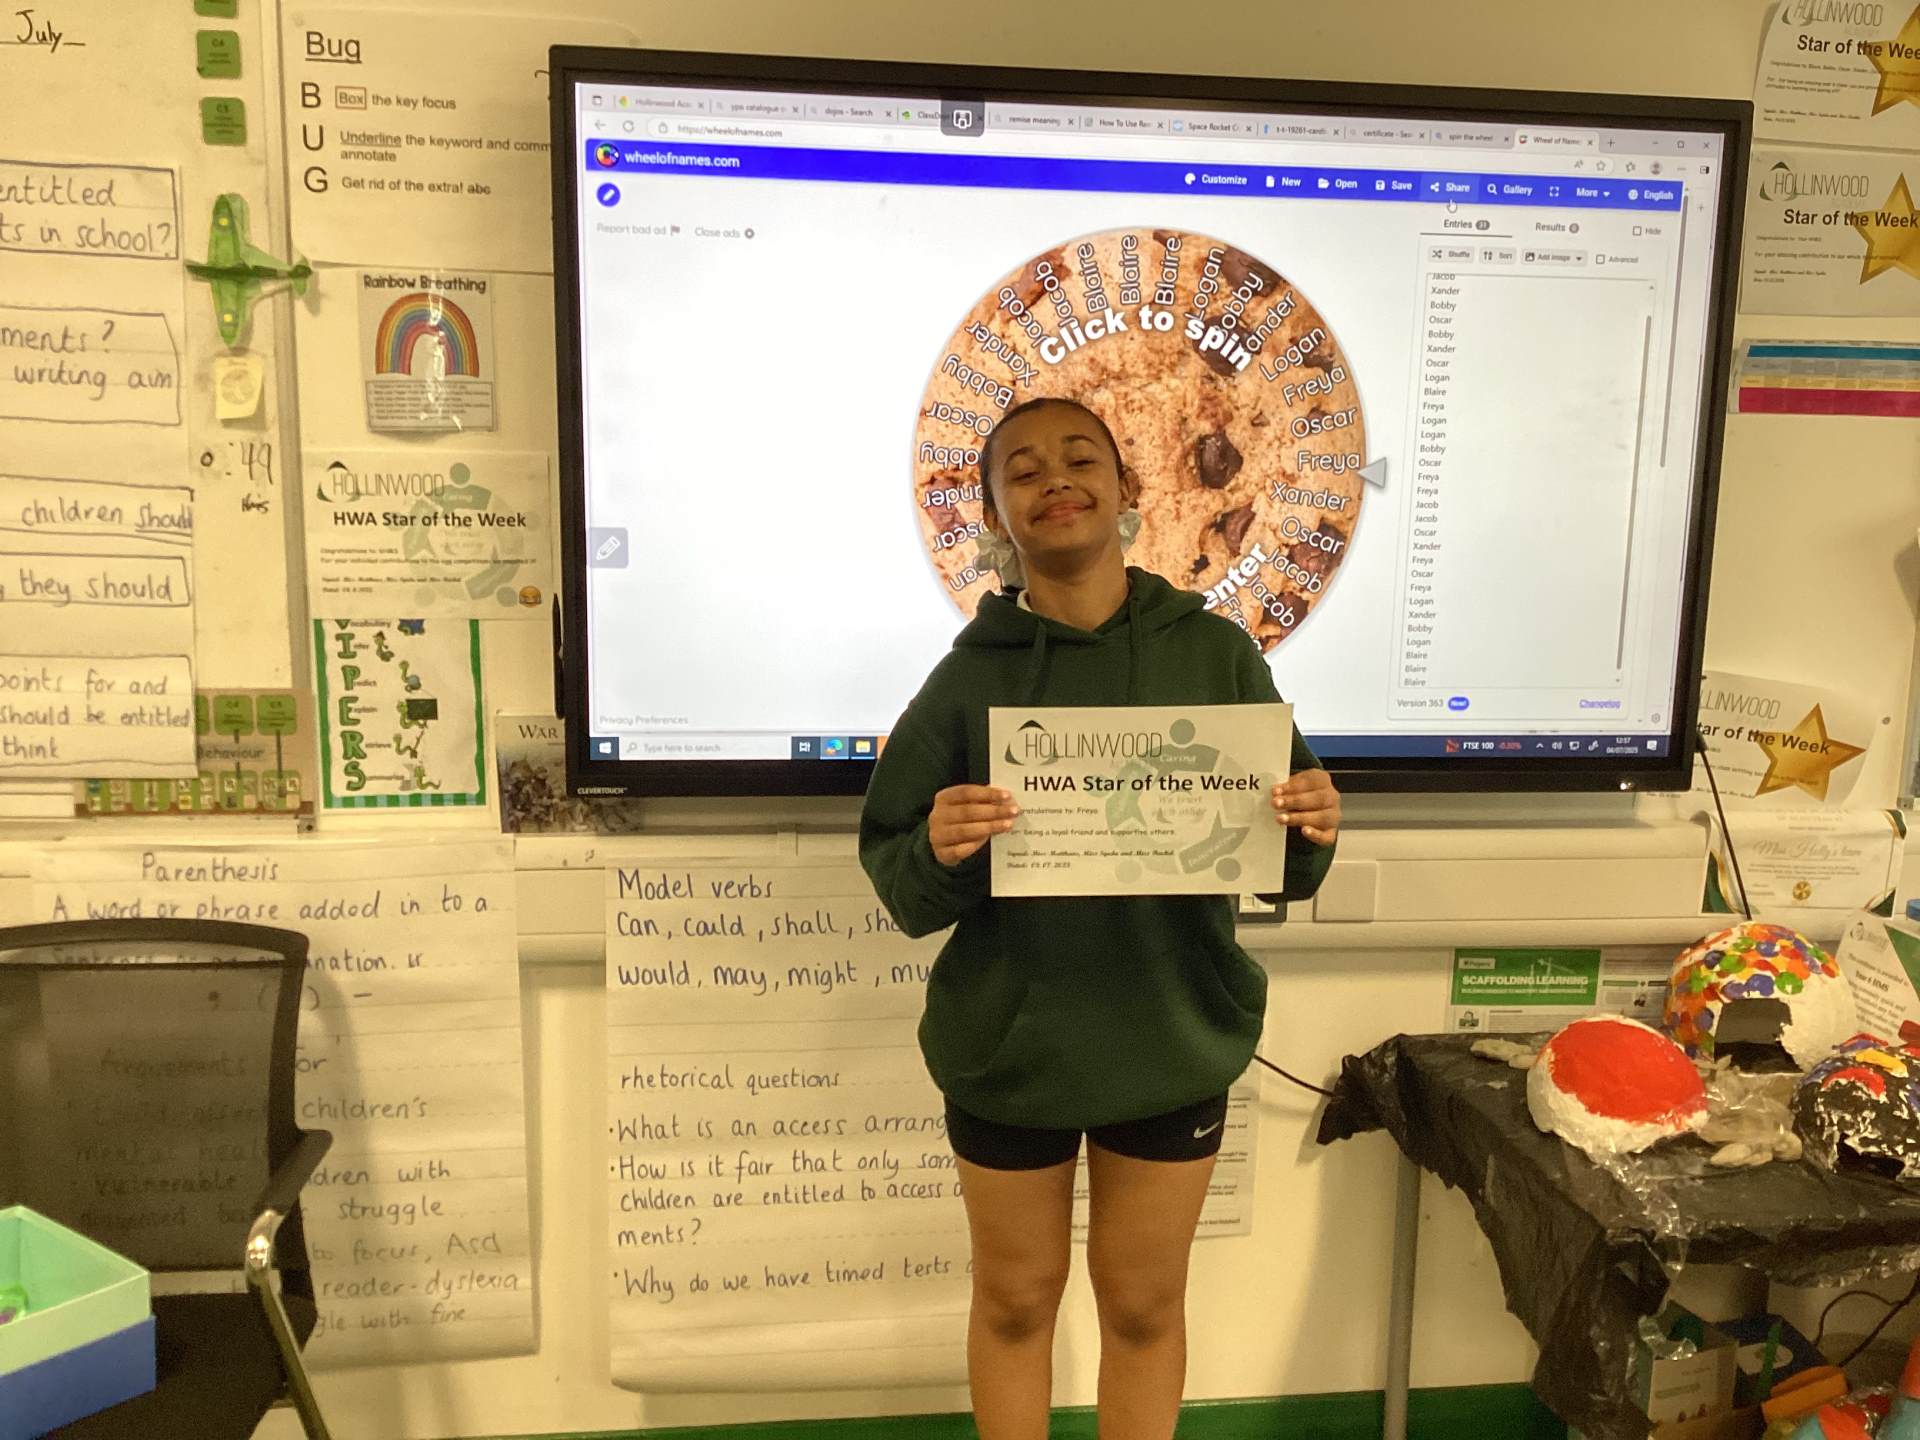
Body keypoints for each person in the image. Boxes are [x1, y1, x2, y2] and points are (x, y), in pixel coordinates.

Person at [860, 396, 1341, 1440]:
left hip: (1170, 1034)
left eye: (1079, 458)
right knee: (1015, 1301)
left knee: (1142, 1306)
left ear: (1127, 487)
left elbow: (1289, 858)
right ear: (996, 513)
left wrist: (1310, 822)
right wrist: (941, 848)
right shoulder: (966, 680)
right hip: (1009, 1047)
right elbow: (899, 878)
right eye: (1022, 471)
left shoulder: (1214, 656)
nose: (1055, 481)